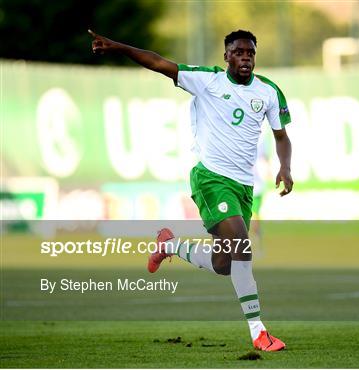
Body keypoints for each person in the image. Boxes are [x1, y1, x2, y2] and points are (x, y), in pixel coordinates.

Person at [89, 29, 293, 352]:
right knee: (243, 246)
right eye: (238, 52)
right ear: (226, 56)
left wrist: (285, 167)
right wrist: (117, 47)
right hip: (211, 179)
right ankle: (258, 331)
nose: (245, 58)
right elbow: (158, 63)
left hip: (242, 186)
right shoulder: (207, 81)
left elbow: (281, 138)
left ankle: (170, 246)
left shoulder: (269, 92)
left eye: (250, 53)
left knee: (224, 264)